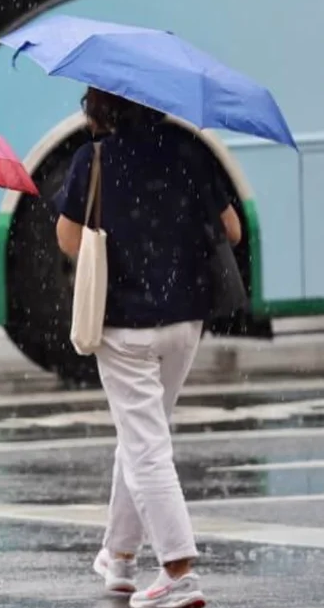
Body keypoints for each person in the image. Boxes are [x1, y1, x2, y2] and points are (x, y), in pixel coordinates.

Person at [54, 87, 242, 608]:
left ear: (100, 108)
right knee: (142, 436)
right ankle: (119, 559)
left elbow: (69, 241)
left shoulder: (92, 158)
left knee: (146, 447)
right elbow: (232, 229)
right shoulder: (190, 149)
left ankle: (179, 574)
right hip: (186, 319)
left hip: (124, 324)